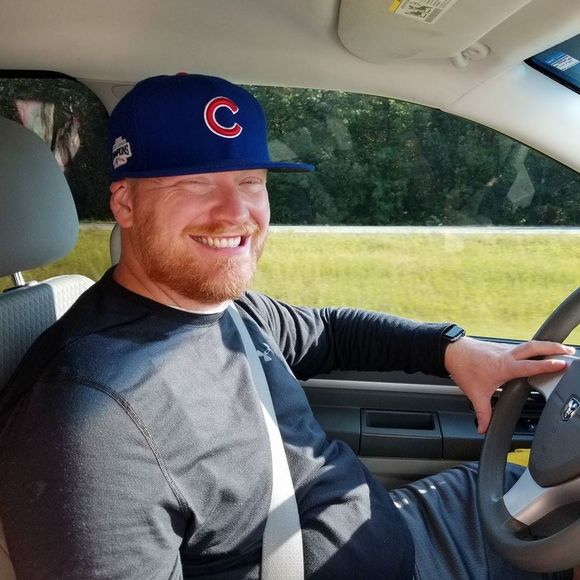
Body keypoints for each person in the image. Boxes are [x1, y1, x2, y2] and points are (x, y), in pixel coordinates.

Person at [0, 74, 575, 580]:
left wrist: (453, 350)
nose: (236, 213)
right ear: (125, 204)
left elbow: (330, 330)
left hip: (406, 528)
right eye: (195, 183)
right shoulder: (89, 422)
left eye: (250, 181)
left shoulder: (222, 309)